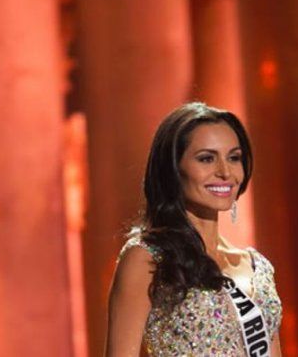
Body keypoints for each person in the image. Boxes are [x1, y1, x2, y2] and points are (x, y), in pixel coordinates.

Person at [105, 102, 283, 356]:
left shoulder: (257, 267)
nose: (225, 172)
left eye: (234, 158)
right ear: (173, 169)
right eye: (207, 159)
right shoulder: (148, 259)